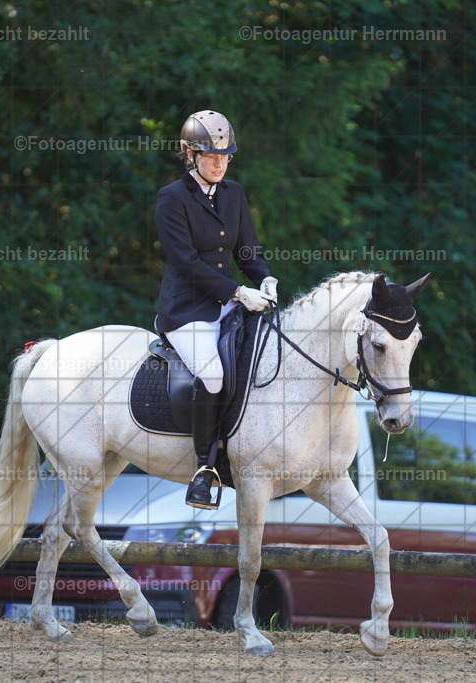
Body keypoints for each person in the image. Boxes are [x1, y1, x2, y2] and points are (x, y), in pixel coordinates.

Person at [154, 110, 277, 509]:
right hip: (187, 310)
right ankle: (204, 471)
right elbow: (186, 263)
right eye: (210, 156)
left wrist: (264, 279)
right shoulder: (172, 199)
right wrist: (240, 292)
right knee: (212, 374)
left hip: (231, 302)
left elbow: (247, 250)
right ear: (190, 155)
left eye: (225, 156)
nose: (220, 163)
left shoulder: (233, 193)